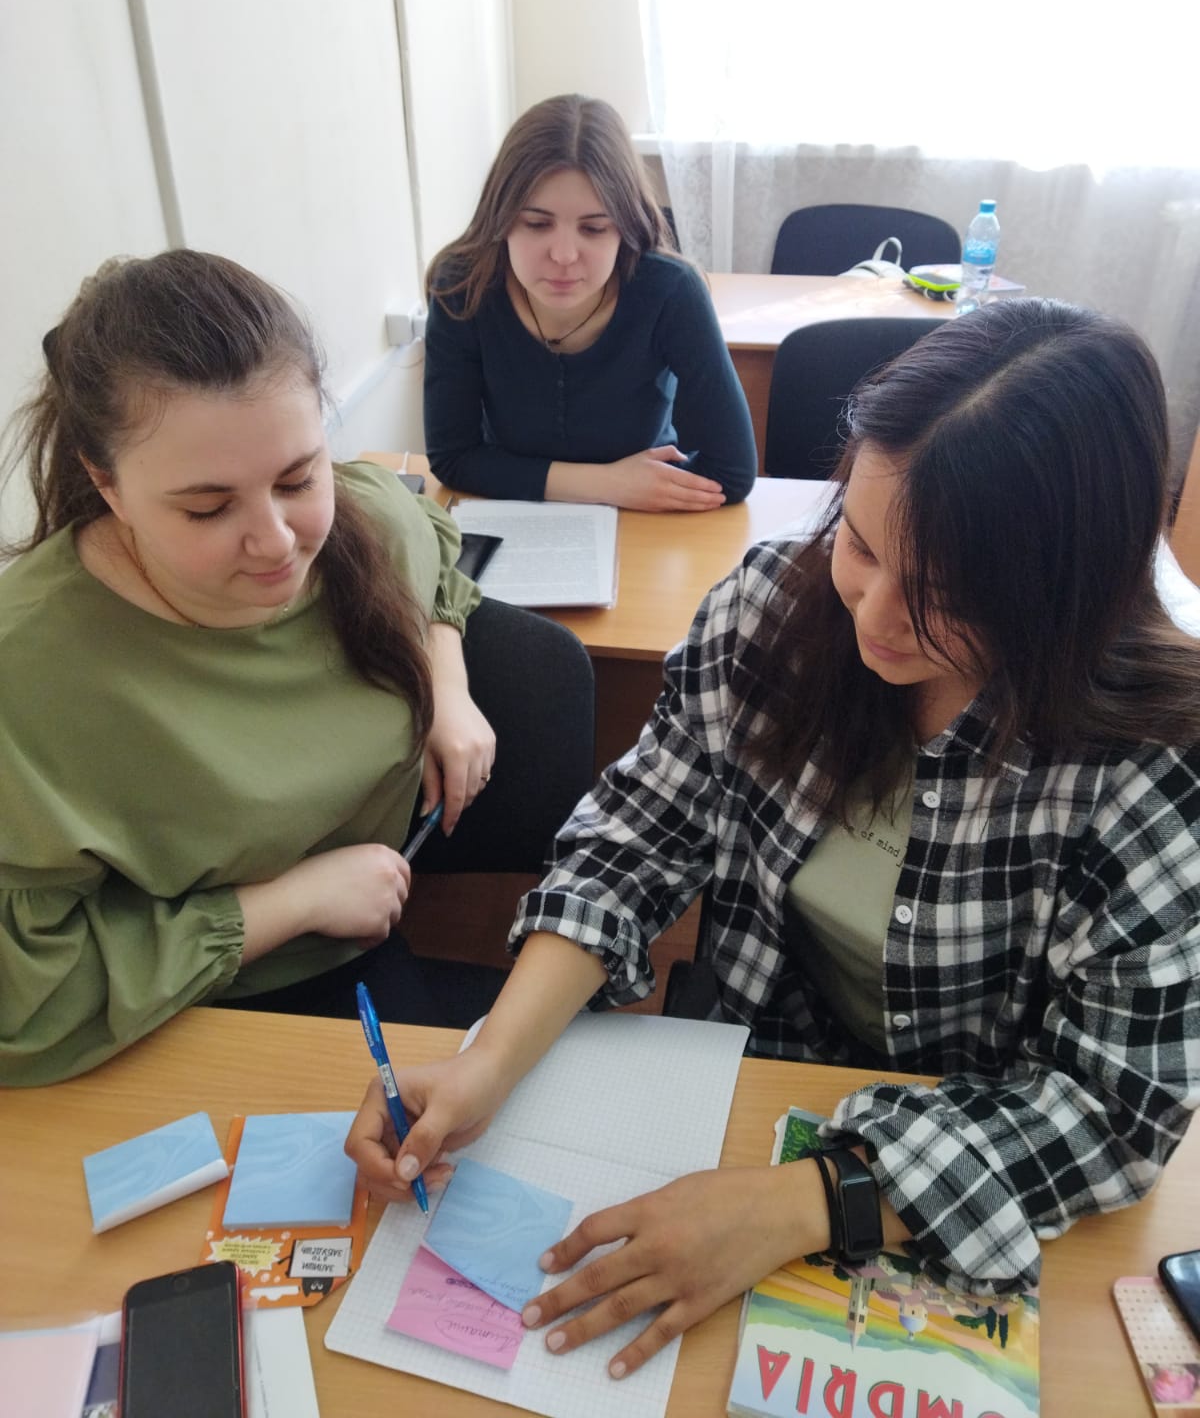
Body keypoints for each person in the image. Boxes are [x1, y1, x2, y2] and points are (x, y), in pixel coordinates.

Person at [348, 297, 1200, 1379]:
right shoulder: (772, 613)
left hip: (961, 1148)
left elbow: (1112, 1108)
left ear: (1066, 587)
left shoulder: (1152, 764)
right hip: (751, 1080)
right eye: (861, 543)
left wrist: (806, 1201)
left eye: (946, 595)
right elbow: (634, 839)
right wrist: (489, 1060)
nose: (874, 616)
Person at [0, 250, 498, 1087]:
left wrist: (447, 684)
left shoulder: (366, 519)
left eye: (298, 478)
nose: (275, 543)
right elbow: (25, 995)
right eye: (208, 508)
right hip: (148, 1022)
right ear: (105, 485)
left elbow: (432, 545)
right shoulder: (29, 675)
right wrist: (289, 902)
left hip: (358, 965)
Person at [423, 93, 757, 512]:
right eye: (537, 224)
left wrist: (634, 488)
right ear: (501, 219)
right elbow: (452, 457)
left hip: (641, 518)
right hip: (516, 513)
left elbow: (732, 474)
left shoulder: (671, 291)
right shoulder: (462, 286)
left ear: (625, 227)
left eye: (595, 229)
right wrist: (608, 484)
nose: (564, 255)